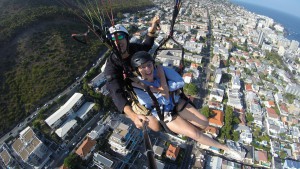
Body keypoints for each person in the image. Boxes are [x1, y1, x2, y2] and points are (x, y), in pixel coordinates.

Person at [130, 51, 244, 161]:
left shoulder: (161, 70)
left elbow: (180, 82)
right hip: (164, 112)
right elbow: (163, 101)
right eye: (143, 67)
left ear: (153, 63)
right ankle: (226, 149)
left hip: (175, 101)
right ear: (137, 70)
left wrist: (162, 88)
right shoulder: (139, 87)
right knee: (195, 134)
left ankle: (202, 136)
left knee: (204, 123)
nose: (148, 69)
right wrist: (163, 83)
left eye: (149, 65)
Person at [104, 16, 165, 131]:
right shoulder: (112, 65)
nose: (117, 41)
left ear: (127, 38)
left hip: (148, 81)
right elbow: (116, 91)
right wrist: (133, 116)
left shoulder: (134, 48)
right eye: (113, 39)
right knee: (156, 126)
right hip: (135, 92)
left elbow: (146, 46)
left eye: (120, 36)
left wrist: (152, 29)